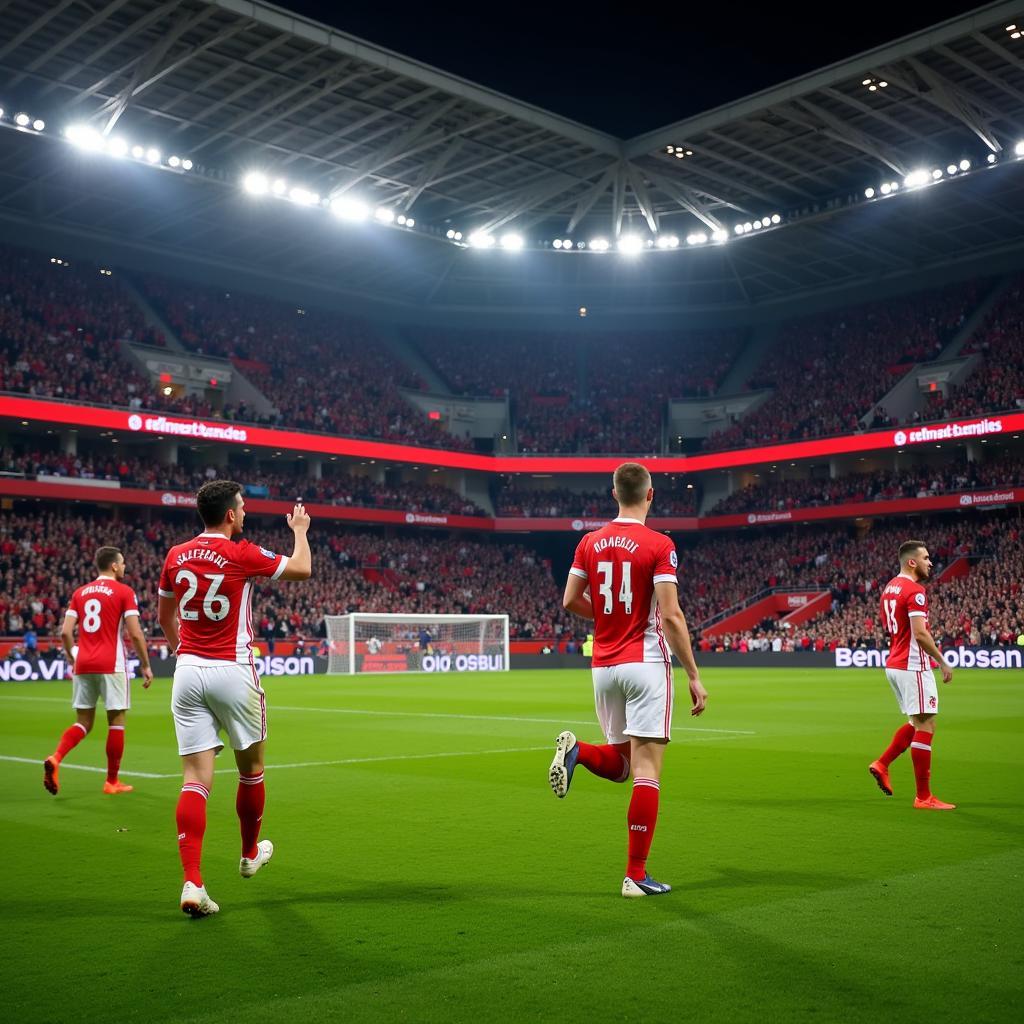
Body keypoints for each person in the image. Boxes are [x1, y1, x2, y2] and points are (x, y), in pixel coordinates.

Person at [551, 462, 708, 898]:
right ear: (651, 495)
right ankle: (635, 875)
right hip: (645, 664)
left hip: (603, 666)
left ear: (613, 494)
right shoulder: (660, 544)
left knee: (621, 767)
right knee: (646, 773)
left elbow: (569, 601)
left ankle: (579, 752)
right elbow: (672, 615)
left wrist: (606, 617)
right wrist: (693, 675)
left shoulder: (589, 541)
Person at [158, 480, 311, 918]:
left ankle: (193, 882)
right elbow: (301, 569)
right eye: (241, 508)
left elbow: (164, 616)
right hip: (233, 670)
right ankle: (248, 854)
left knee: (195, 780)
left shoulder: (176, 555)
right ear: (229, 514)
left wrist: (180, 651)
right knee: (251, 770)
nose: (244, 514)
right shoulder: (240, 552)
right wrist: (299, 530)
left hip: (187, 672)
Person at [44, 546, 154, 797]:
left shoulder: (79, 593)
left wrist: (74, 658)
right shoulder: (124, 592)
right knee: (116, 722)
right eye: (123, 562)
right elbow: (135, 633)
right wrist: (146, 665)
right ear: (114, 566)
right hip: (111, 664)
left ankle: (56, 757)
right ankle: (111, 781)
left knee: (83, 722)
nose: (125, 567)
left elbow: (64, 632)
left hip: (83, 662)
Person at [869, 539, 955, 810]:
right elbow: (919, 633)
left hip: (894, 663)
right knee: (927, 726)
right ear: (912, 562)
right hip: (912, 664)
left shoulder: (889, 588)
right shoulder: (915, 590)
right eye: (926, 557)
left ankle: (882, 763)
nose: (931, 562)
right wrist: (942, 661)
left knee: (916, 723)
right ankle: (924, 797)